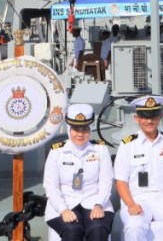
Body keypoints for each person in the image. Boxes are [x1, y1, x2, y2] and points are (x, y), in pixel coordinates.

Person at [114, 95, 163, 241]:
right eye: (144, 117)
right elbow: (120, 181)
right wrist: (131, 204)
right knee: (134, 226)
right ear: (136, 118)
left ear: (160, 117)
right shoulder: (127, 145)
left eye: (153, 116)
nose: (149, 121)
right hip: (137, 198)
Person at [43, 103, 114, 241]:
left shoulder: (100, 150)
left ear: (90, 129)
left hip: (95, 201)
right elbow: (51, 187)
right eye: (76, 129)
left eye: (85, 129)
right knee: (72, 229)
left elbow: (106, 183)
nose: (80, 134)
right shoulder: (57, 151)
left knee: (97, 227)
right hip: (65, 203)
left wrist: (99, 205)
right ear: (69, 128)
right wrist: (63, 210)